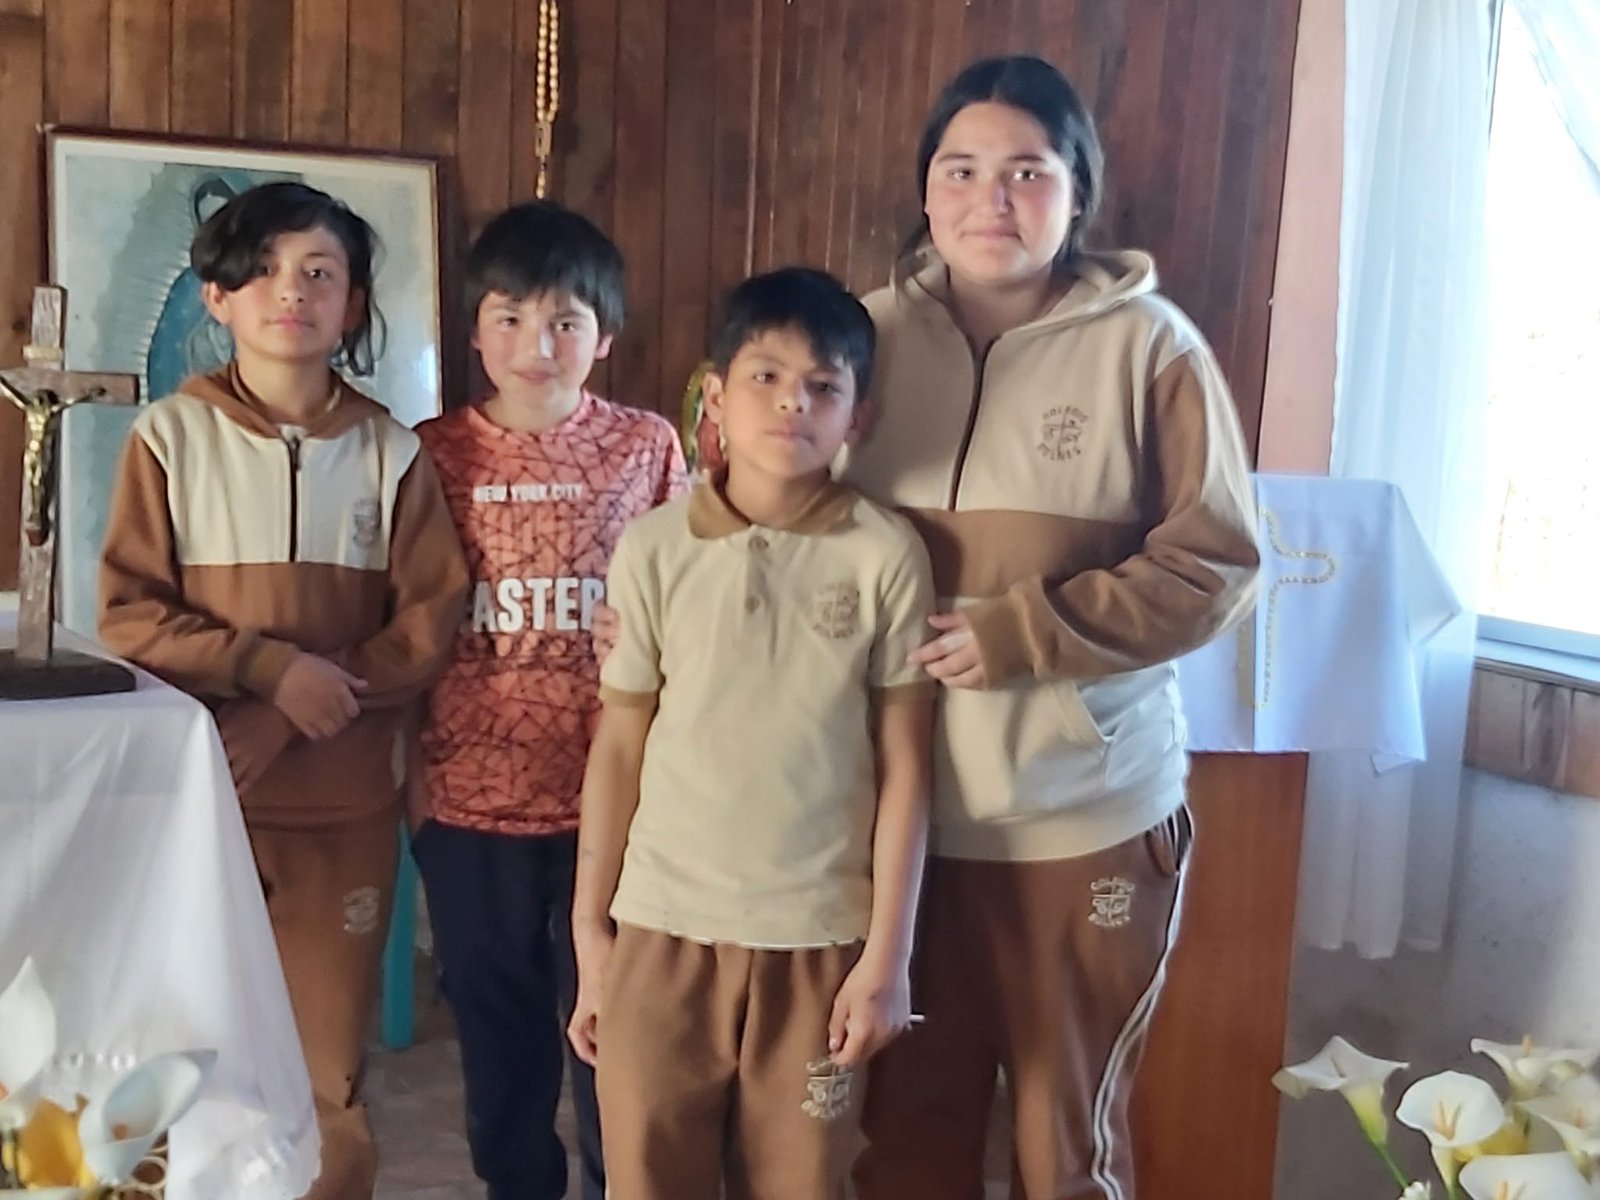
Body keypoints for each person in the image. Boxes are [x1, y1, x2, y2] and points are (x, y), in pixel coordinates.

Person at [843, 56, 1260, 1200]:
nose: (992, 199)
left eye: (1027, 172)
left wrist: (1030, 633)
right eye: (961, 170)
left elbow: (1217, 564)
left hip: (1081, 818)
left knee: (1062, 1148)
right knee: (904, 1144)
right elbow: (773, 521)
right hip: (897, 831)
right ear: (924, 191)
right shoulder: (859, 338)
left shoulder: (1150, 347)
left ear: (1077, 194)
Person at [99, 180, 469, 1200]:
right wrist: (267, 672)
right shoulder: (169, 437)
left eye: (318, 272)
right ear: (217, 297)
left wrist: (297, 707)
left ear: (354, 305)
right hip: (203, 801)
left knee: (325, 1075)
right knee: (183, 1061)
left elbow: (427, 622)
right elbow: (130, 615)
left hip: (344, 808)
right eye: (262, 270)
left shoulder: (392, 452)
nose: (290, 291)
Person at [568, 267, 935, 1200]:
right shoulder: (655, 547)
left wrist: (887, 959)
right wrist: (591, 931)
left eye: (823, 386)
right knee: (648, 1177)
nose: (792, 403)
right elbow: (619, 747)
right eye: (765, 377)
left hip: (818, 939)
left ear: (858, 419)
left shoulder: (885, 554)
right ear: (716, 396)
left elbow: (904, 767)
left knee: (802, 1182)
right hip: (661, 930)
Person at [409, 200, 688, 1200]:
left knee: (617, 1036)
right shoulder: (430, 452)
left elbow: (689, 595)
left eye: (566, 321)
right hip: (468, 802)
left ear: (604, 335)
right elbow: (403, 618)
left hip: (616, 805)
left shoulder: (645, 446)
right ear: (475, 331)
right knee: (499, 1041)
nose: (538, 345)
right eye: (512, 318)